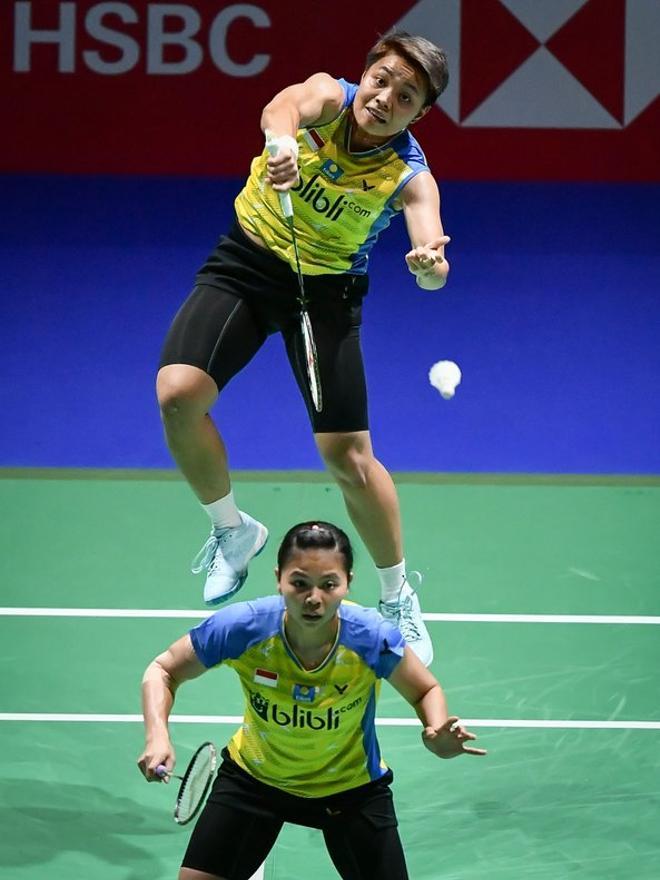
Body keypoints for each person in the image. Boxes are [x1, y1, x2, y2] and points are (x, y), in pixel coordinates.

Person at [156, 31, 451, 666]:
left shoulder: (412, 174)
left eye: (406, 97)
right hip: (248, 260)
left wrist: (429, 265)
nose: (385, 98)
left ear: (418, 114)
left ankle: (398, 595)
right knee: (178, 396)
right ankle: (234, 532)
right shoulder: (329, 95)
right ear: (365, 74)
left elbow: (431, 247)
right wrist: (282, 142)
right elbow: (283, 107)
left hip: (325, 291)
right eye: (382, 80)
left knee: (347, 457)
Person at [138, 521, 485, 880]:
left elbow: (425, 690)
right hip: (256, 780)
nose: (314, 598)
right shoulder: (245, 628)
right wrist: (157, 736)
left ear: (348, 582)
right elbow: (163, 670)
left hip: (350, 790)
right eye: (299, 583)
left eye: (329, 584)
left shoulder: (370, 637)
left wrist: (436, 731)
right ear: (279, 578)